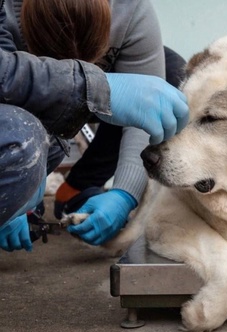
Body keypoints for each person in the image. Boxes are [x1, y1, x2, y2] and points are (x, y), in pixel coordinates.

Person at [0, 2, 189, 253]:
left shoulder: (130, 9)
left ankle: (76, 187)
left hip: (101, 91)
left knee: (171, 78)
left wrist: (125, 193)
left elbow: (145, 123)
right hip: (18, 92)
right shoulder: (6, 13)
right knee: (27, 139)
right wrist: (13, 191)